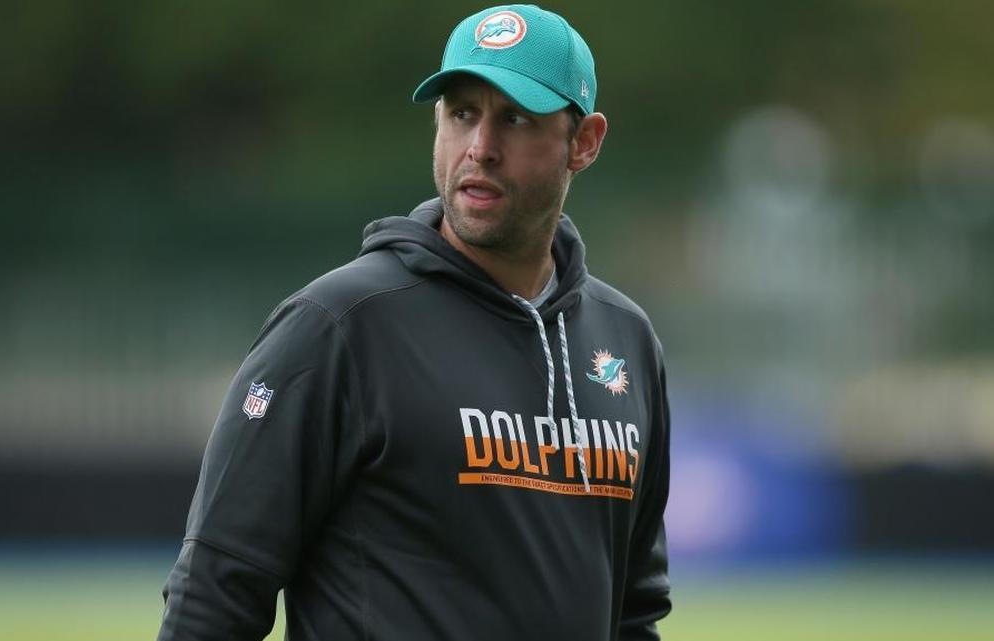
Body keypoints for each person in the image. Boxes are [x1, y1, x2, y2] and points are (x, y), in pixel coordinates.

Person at [158, 5, 672, 640]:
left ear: (584, 142)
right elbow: (215, 592)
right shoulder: (337, 328)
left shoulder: (626, 340)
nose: (481, 148)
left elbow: (634, 610)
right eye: (462, 114)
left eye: (514, 118)